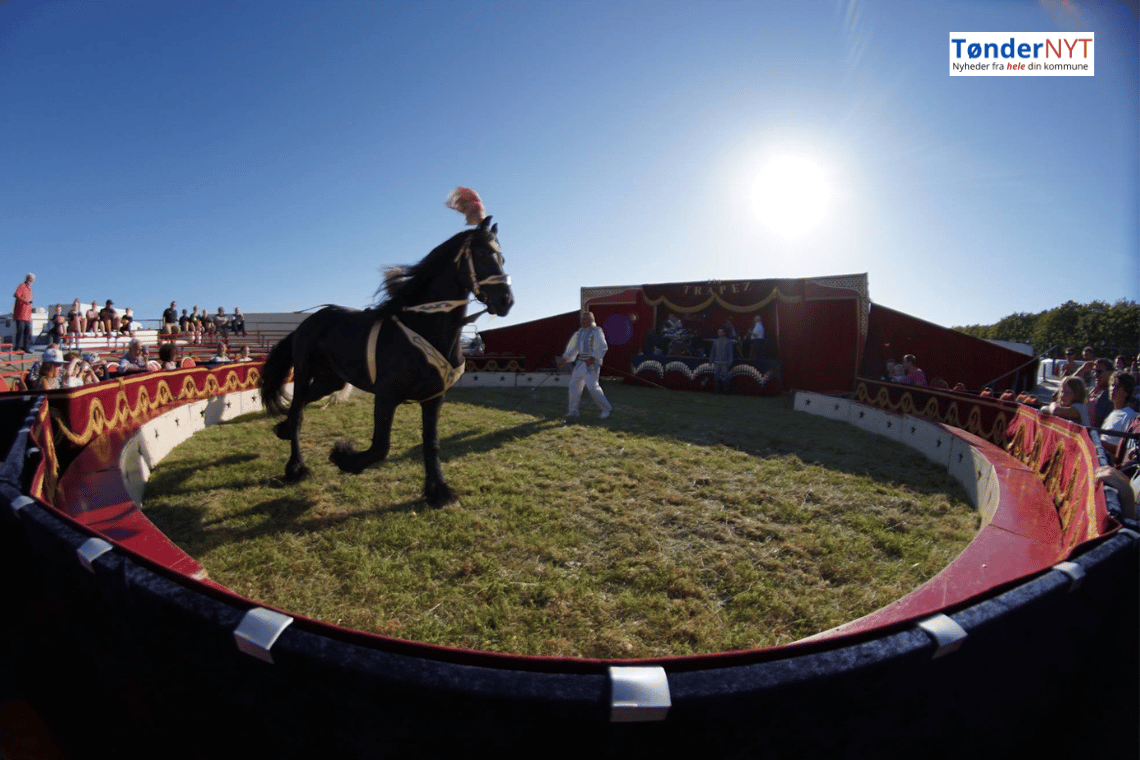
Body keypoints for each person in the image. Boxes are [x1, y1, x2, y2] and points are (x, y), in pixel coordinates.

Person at [557, 311, 612, 419]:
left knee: (592, 387)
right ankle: (573, 411)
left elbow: (602, 346)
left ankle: (606, 409)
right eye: (582, 319)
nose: (582, 321)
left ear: (591, 320)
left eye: (585, 319)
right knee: (574, 385)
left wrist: (594, 357)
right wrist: (565, 358)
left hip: (591, 365)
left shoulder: (596, 331)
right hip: (580, 364)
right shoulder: (579, 333)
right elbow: (573, 348)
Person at [1099, 371, 1138, 460]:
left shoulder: (1130, 416)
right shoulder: (1112, 413)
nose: (1113, 389)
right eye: (1112, 385)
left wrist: (1099, 442)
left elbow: (1124, 450)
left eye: (1118, 386)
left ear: (1126, 392)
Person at [1086, 359, 1114, 428]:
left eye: (1099, 371)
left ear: (1110, 373)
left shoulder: (1112, 396)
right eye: (1094, 371)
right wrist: (1082, 370)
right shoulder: (1091, 391)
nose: (1095, 375)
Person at [11, 273, 34, 352]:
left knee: (28, 332)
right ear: (27, 278)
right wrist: (25, 301)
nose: (31, 280)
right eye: (30, 278)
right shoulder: (22, 285)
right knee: (20, 331)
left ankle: (27, 347)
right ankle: (17, 347)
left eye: (32, 279)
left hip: (27, 315)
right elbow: (16, 294)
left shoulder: (30, 289)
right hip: (20, 313)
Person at [709, 327, 735, 393]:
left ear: (724, 333)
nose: (719, 333)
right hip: (717, 361)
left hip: (725, 362)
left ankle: (726, 391)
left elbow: (730, 352)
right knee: (716, 376)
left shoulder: (728, 341)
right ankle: (716, 390)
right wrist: (711, 360)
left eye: (721, 332)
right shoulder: (716, 341)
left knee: (726, 376)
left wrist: (730, 361)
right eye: (719, 332)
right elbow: (713, 352)